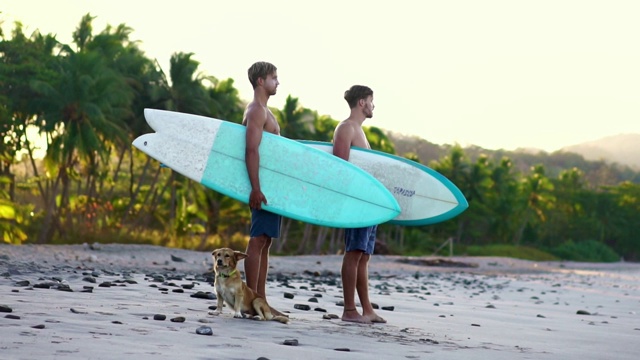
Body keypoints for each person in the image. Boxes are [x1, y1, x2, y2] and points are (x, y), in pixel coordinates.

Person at [332, 85, 387, 324]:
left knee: (364, 256)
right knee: (353, 253)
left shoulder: (360, 131)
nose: (374, 105)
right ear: (362, 102)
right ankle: (349, 310)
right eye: (371, 101)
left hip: (369, 204)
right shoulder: (346, 128)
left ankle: (367, 310)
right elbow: (339, 168)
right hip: (356, 203)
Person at [241, 61, 283, 313]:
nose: (277, 82)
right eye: (274, 78)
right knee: (257, 240)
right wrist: (256, 188)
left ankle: (260, 300)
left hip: (271, 186)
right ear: (260, 81)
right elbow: (251, 150)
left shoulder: (266, 111)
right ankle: (250, 301)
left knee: (265, 240)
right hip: (263, 186)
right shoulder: (257, 110)